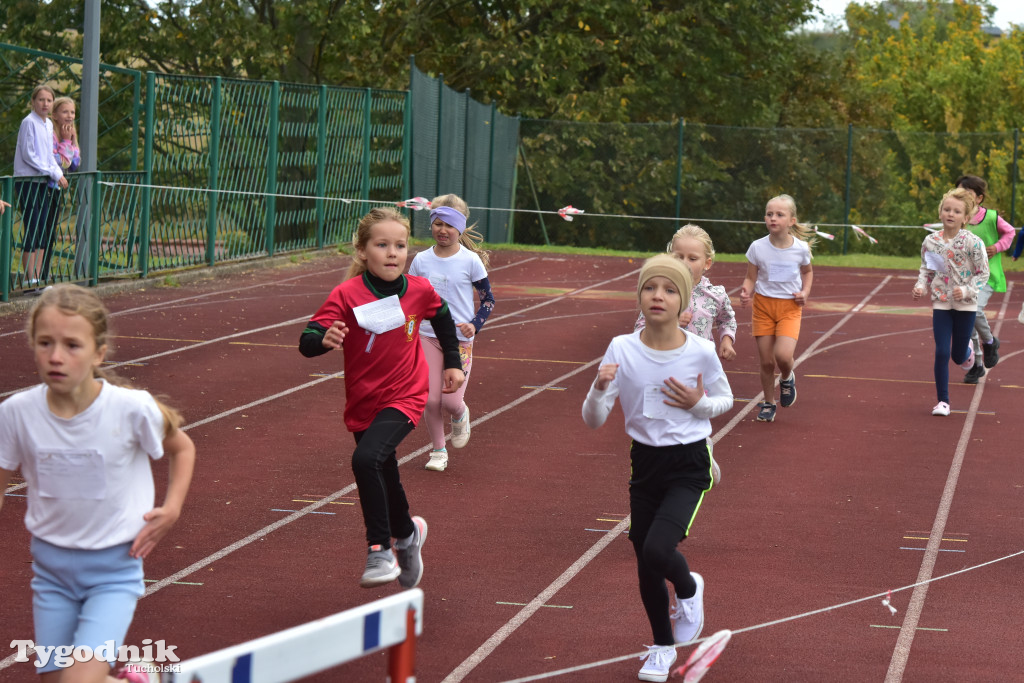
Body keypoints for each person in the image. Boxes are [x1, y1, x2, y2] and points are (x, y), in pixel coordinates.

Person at [0, 284, 196, 683]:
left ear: (98, 353)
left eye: (72, 345)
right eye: (44, 343)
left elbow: (183, 447)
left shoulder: (130, 408)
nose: (56, 356)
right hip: (50, 571)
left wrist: (172, 509)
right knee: (56, 680)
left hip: (112, 572)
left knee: (77, 681)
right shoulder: (17, 413)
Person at [582, 254, 733, 683]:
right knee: (645, 563)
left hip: (688, 462)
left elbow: (724, 400)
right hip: (644, 462)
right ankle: (662, 648)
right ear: (639, 297)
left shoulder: (700, 350)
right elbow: (593, 419)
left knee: (656, 549)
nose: (658, 296)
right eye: (650, 288)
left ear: (684, 303)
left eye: (669, 290)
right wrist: (598, 388)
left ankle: (688, 588)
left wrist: (698, 404)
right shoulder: (621, 347)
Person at [298, 207, 465, 588]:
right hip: (363, 400)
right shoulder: (347, 294)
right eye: (382, 245)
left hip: (406, 395)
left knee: (365, 459)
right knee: (383, 471)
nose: (393, 252)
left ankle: (379, 550)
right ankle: (408, 534)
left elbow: (441, 317)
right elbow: (307, 340)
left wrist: (452, 362)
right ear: (362, 251)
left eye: (400, 245)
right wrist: (322, 341)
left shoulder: (419, 291)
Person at [407, 194, 495, 472]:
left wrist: (474, 324)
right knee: (430, 399)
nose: (442, 230)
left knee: (450, 400)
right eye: (437, 223)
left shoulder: (470, 262)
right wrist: (407, 333)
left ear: (460, 228)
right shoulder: (420, 260)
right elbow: (409, 298)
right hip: (426, 335)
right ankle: (438, 451)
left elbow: (488, 300)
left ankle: (460, 414)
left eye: (449, 225)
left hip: (460, 341)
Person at [913, 188, 990, 416]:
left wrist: (966, 290)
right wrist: (920, 286)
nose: (950, 214)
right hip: (941, 303)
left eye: (957, 211)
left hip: (966, 305)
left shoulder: (973, 243)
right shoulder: (931, 241)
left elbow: (983, 273)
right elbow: (927, 269)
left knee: (957, 355)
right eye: (947, 209)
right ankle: (943, 402)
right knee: (941, 352)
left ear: (965, 218)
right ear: (940, 213)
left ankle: (966, 351)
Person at [738, 194, 814, 423]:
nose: (773, 218)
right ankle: (769, 403)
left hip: (789, 307)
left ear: (791, 220)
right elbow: (750, 278)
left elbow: (808, 273)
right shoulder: (757, 247)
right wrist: (745, 291)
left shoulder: (800, 249)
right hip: (763, 306)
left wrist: (805, 293)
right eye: (770, 214)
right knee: (766, 361)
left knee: (783, 356)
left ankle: (787, 377)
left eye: (779, 214)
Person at [634, 224, 737, 362]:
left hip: (701, 362)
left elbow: (727, 320)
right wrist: (670, 321)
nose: (684, 263)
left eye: (692, 259)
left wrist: (727, 340)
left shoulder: (716, 294)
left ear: (707, 263)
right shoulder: (659, 292)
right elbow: (640, 328)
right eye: (679, 257)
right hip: (664, 359)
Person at [953, 175, 1013, 384]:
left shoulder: (991, 217)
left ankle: (989, 342)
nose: (962, 197)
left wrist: (997, 247)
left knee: (973, 310)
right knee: (966, 320)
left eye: (967, 194)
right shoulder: (957, 217)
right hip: (963, 278)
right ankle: (978, 364)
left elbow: (1010, 232)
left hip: (986, 276)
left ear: (979, 198)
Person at [14, 85, 68, 288]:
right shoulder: (29, 122)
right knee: (33, 225)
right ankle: (29, 280)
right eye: (41, 100)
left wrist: (59, 173)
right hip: (28, 181)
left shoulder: (46, 125)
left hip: (43, 181)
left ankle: (38, 277)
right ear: (33, 102)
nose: (45, 104)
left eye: (49, 100)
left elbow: (47, 155)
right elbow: (30, 155)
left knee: (43, 227)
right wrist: (53, 172)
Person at [39, 96, 81, 282]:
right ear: (54, 115)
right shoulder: (52, 133)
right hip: (44, 187)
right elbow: (60, 161)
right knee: (42, 232)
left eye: (72, 112)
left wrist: (70, 142)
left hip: (56, 189)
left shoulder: (70, 133)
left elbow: (74, 164)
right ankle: (37, 275)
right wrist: (65, 142)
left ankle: (44, 273)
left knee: (51, 233)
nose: (70, 116)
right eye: (65, 112)